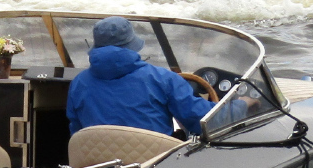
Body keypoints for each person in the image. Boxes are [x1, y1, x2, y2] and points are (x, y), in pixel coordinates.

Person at [66, 16, 215, 138]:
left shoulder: (78, 83)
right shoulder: (163, 79)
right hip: (155, 163)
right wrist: (229, 107)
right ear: (132, 45)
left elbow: (77, 132)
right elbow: (202, 119)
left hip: (97, 164)